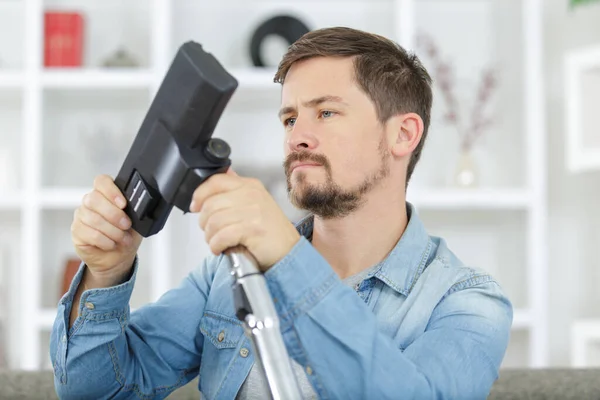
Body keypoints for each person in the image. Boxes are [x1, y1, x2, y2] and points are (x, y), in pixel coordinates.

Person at [50, 26, 512, 399]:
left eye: (326, 113)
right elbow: (97, 392)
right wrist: (105, 275)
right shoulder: (226, 275)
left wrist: (290, 260)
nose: (297, 137)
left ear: (403, 135)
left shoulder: (467, 303)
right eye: (289, 119)